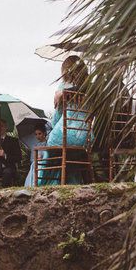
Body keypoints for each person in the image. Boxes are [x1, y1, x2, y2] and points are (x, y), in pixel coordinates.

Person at [39, 56, 90, 185]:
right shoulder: (91, 88)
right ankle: (72, 182)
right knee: (70, 155)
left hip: (64, 134)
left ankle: (45, 183)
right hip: (85, 136)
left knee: (51, 148)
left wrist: (52, 130)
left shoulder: (63, 87)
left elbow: (57, 116)